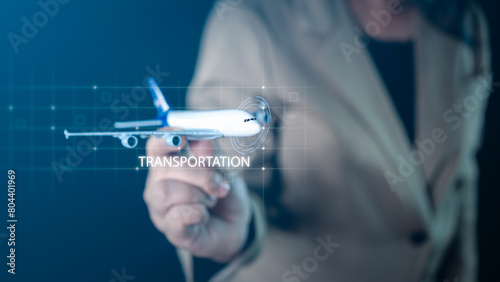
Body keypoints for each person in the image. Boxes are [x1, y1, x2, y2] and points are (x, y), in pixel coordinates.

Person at [143, 0, 492, 281]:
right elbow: (231, 180)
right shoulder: (251, 18)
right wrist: (231, 228)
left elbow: (460, 183)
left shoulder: (465, 20)